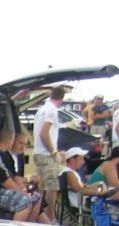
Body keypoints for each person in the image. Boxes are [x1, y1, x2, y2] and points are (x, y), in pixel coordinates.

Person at [0, 128, 41, 221]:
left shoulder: (6, 155)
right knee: (25, 202)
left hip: (7, 191)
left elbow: (15, 176)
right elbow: (5, 180)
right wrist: (22, 193)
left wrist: (24, 191)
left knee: (36, 198)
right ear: (8, 142)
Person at [33, 86, 66, 215]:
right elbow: (44, 133)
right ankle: (50, 217)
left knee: (42, 187)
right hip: (46, 154)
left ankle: (39, 214)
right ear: (61, 99)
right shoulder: (52, 110)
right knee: (52, 187)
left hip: (38, 152)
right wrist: (53, 151)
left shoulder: (41, 109)